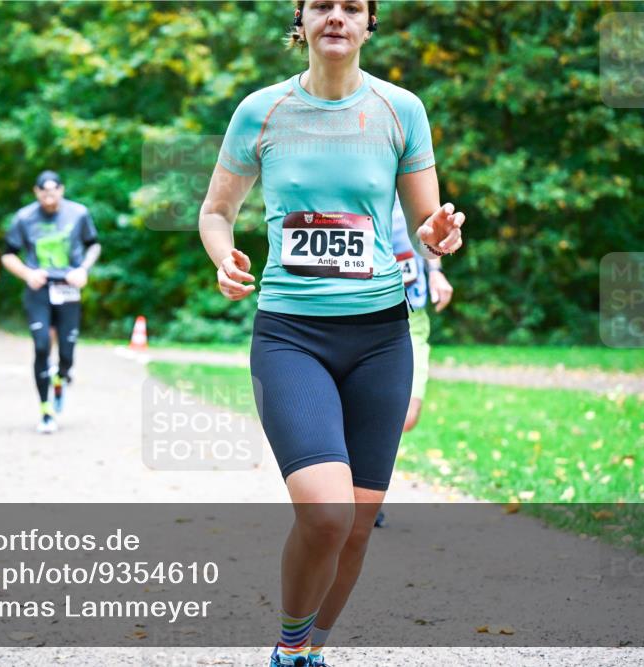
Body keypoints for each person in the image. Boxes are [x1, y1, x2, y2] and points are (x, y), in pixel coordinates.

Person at [197, 2, 466, 665]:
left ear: (370, 23)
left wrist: (438, 235)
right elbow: (216, 210)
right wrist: (223, 255)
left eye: (352, 6)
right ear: (303, 19)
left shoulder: (401, 110)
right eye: (323, 4)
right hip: (292, 336)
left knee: (354, 534)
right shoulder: (261, 112)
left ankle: (306, 652)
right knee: (326, 514)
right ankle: (290, 645)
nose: (337, 16)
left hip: (380, 337)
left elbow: (426, 217)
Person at [373, 193, 456, 528]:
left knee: (406, 415)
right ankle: (364, 494)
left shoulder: (408, 186)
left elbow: (430, 233)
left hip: (412, 314)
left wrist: (435, 272)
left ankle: (362, 482)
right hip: (369, 315)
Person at [1, 170, 101, 434]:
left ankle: (61, 377)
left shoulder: (78, 213)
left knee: (67, 353)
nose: (49, 195)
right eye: (43, 191)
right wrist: (27, 273)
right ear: (36, 192)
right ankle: (46, 411)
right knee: (42, 345)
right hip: (40, 290)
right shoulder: (24, 217)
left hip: (68, 288)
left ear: (62, 190)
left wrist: (83, 270)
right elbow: (8, 255)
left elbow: (94, 245)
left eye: (53, 190)